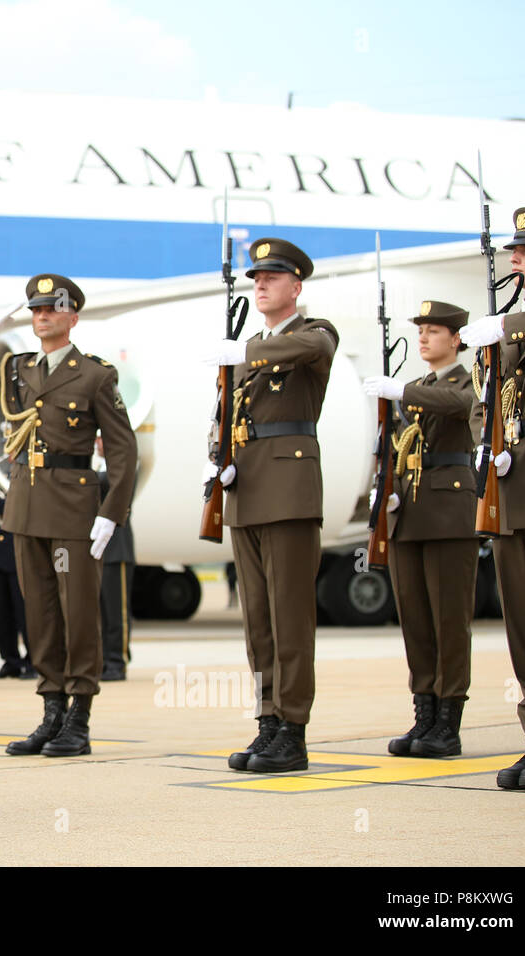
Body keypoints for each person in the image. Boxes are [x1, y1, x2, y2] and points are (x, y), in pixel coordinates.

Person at [0, 274, 137, 757]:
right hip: (26, 510)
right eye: (35, 309)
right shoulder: (16, 370)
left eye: (52, 309)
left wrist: (111, 515)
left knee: (77, 612)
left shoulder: (94, 374)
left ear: (73, 316)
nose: (41, 316)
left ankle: (80, 717)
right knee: (41, 613)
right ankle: (51, 711)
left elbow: (122, 452)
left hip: (73, 512)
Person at [201, 238, 339, 774]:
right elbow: (226, 413)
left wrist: (244, 354)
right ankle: (268, 723)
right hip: (246, 489)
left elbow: (312, 350)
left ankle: (294, 728)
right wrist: (220, 456)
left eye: (273, 278)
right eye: (256, 278)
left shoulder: (313, 333)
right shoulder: (247, 345)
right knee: (257, 620)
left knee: (289, 618)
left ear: (296, 287)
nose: (260, 284)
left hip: (288, 489)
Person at [462, 207, 525, 791]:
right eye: (512, 250)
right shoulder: (501, 326)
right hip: (509, 483)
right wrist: (487, 444)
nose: (515, 257)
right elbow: (484, 399)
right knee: (522, 618)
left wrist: (510, 330)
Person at [362, 301, 477, 758]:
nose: (425, 338)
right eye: (422, 331)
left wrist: (402, 391)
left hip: (449, 513)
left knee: (449, 620)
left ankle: (449, 722)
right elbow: (397, 445)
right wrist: (383, 488)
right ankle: (424, 715)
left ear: (456, 340)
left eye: (435, 331)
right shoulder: (417, 388)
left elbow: (462, 406)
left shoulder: (466, 381)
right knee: (416, 621)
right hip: (408, 512)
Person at [96, 433, 135, 681]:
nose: (97, 443)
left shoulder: (122, 468)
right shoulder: (98, 467)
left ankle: (117, 660)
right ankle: (103, 658)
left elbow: (113, 491)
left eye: (101, 438)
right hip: (99, 550)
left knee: (116, 611)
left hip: (117, 548)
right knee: (101, 610)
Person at [0, 489, 32, 678]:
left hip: (21, 551)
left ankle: (33, 661)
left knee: (25, 612)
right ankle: (10, 660)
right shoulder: (5, 474)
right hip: (2, 551)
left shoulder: (31, 470)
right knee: (2, 615)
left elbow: (23, 503)